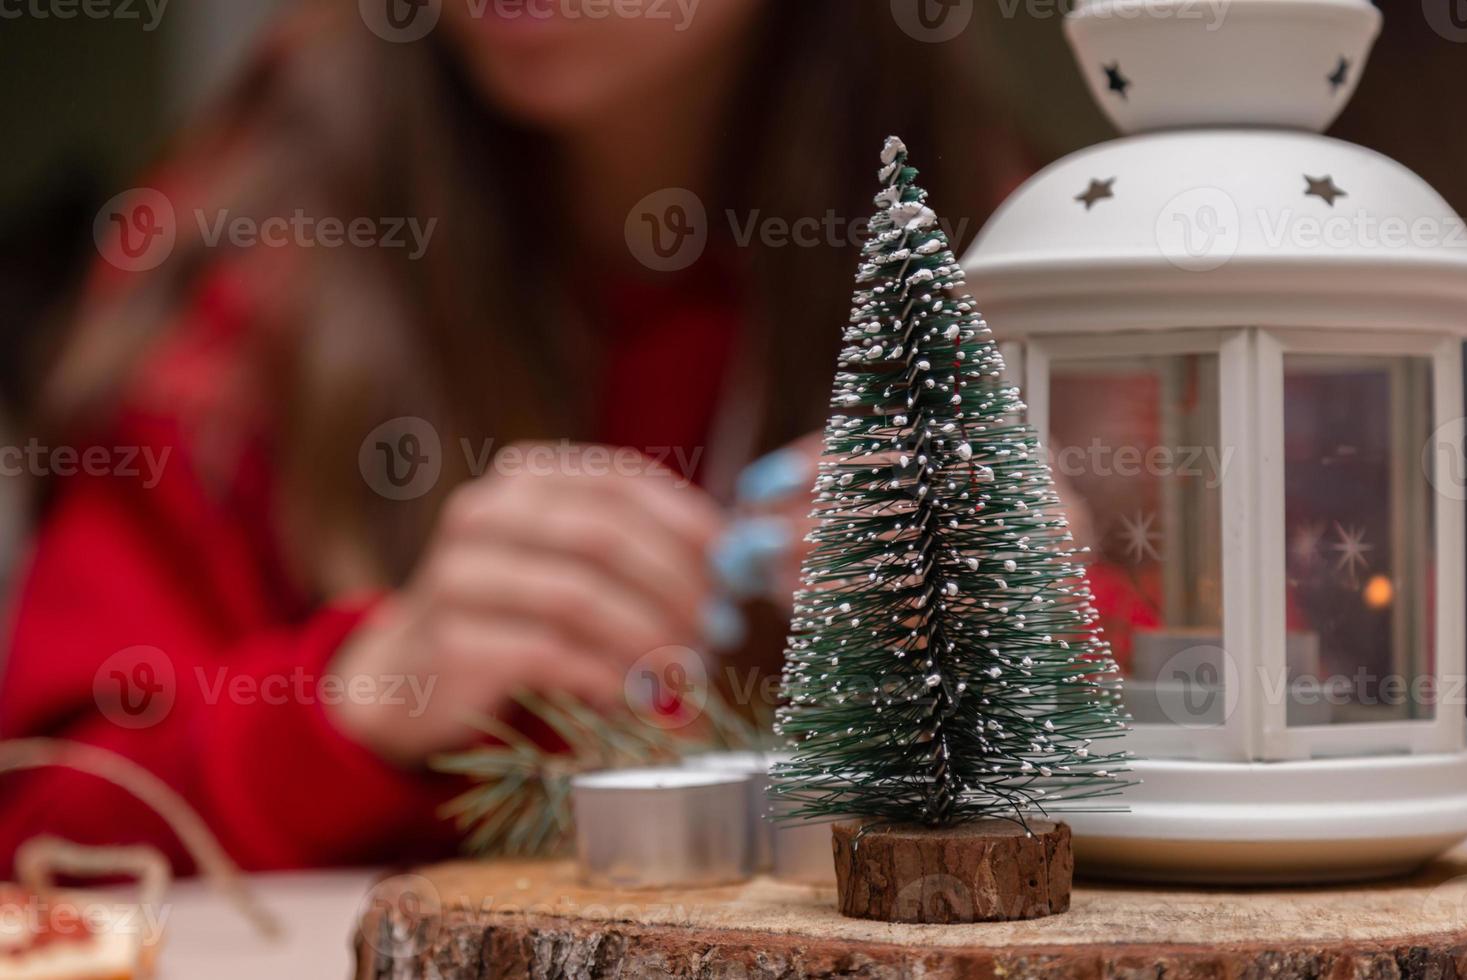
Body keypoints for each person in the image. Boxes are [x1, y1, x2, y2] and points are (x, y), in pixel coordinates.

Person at [0, 0, 1026, 873]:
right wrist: (361, 694)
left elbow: (1154, 758)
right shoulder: (254, 262)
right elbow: (42, 827)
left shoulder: (1022, 248)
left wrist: (1034, 626)